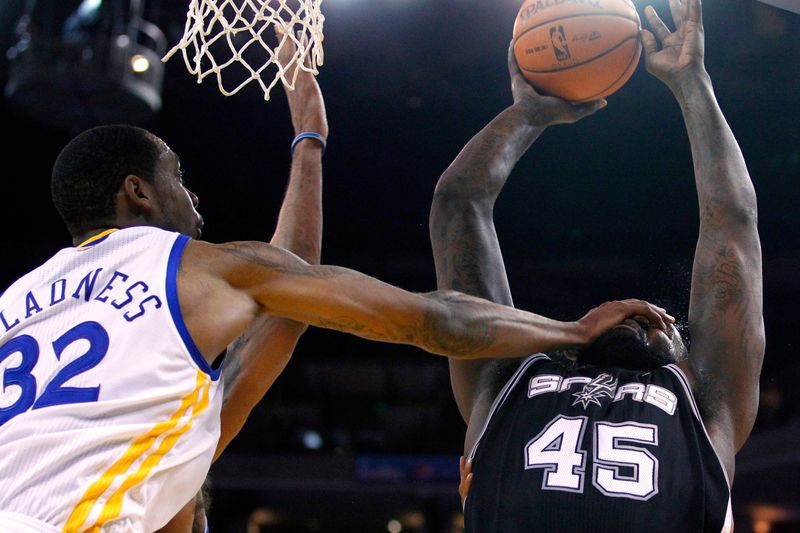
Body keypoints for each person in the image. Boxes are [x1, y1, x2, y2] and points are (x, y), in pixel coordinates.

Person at [0, 51, 673, 533]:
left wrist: (309, 145)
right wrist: (570, 331)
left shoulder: (16, 305)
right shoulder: (196, 267)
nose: (191, 191)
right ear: (137, 191)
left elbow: (276, 326)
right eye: (176, 173)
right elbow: (428, 320)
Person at [430, 0, 763, 531]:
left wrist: (694, 85)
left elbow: (734, 226)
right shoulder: (505, 383)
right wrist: (525, 114)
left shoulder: (706, 404)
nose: (646, 314)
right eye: (660, 316)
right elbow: (458, 206)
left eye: (668, 323)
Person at [156, 31, 328, 533]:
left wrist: (309, 137)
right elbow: (285, 298)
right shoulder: (154, 455)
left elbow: (284, 298)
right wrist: (309, 140)